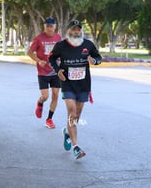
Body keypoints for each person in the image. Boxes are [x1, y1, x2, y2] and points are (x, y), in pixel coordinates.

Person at [48, 19, 102, 159]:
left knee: (76, 117)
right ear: (69, 31)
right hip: (67, 84)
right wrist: (58, 70)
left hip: (83, 85)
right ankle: (76, 147)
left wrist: (94, 61)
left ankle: (67, 131)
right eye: (74, 29)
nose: (76, 32)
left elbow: (98, 57)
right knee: (72, 113)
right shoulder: (61, 46)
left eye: (78, 29)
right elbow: (52, 58)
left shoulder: (88, 44)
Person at [27, 17, 62, 129]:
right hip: (43, 72)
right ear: (44, 26)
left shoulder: (58, 37)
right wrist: (38, 61)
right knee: (45, 96)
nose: (49, 28)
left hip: (55, 71)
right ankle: (40, 103)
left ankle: (49, 119)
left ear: (55, 26)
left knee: (56, 95)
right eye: (47, 26)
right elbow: (29, 52)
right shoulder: (39, 38)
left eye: (51, 26)